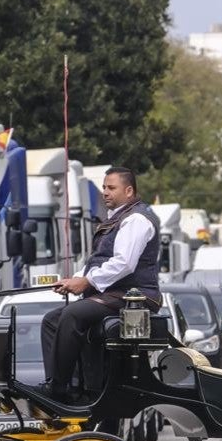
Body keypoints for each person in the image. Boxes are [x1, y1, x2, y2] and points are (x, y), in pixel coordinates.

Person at [35, 167, 161, 403]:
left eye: (111, 188)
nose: (105, 193)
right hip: (115, 293)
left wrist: (87, 282)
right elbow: (99, 261)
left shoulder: (136, 219)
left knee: (72, 314)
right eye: (104, 187)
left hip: (135, 296)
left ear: (129, 190)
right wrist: (74, 279)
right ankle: (68, 388)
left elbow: (124, 263)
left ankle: (58, 388)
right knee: (51, 321)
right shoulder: (118, 219)